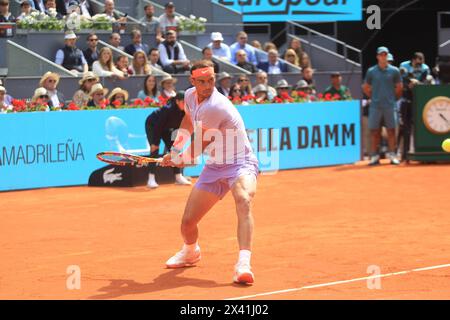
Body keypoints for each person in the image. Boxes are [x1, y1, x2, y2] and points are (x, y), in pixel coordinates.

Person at [161, 60, 259, 285]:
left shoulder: (216, 105)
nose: (208, 86)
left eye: (211, 80)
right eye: (202, 82)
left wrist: (178, 160)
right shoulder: (188, 96)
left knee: (243, 200)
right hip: (215, 165)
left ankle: (243, 264)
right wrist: (175, 150)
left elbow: (199, 147)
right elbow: (187, 120)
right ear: (192, 81)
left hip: (240, 163)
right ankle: (190, 251)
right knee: (187, 223)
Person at [362, 46, 403, 166]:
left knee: (391, 131)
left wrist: (394, 99)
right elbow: (365, 87)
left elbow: (399, 87)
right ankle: (375, 156)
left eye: (385, 54)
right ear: (377, 57)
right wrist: (373, 97)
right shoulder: (371, 71)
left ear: (387, 56)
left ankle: (392, 155)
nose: (383, 57)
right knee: (375, 132)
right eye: (381, 55)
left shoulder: (394, 71)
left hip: (390, 106)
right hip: (375, 107)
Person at [145, 91, 192, 188]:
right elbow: (158, 126)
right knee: (155, 150)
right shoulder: (167, 109)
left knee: (174, 150)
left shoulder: (186, 111)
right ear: (177, 101)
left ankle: (178, 177)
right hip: (153, 126)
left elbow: (180, 128)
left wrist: (176, 143)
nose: (186, 104)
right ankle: (151, 179)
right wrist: (155, 142)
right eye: (184, 102)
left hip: (167, 129)